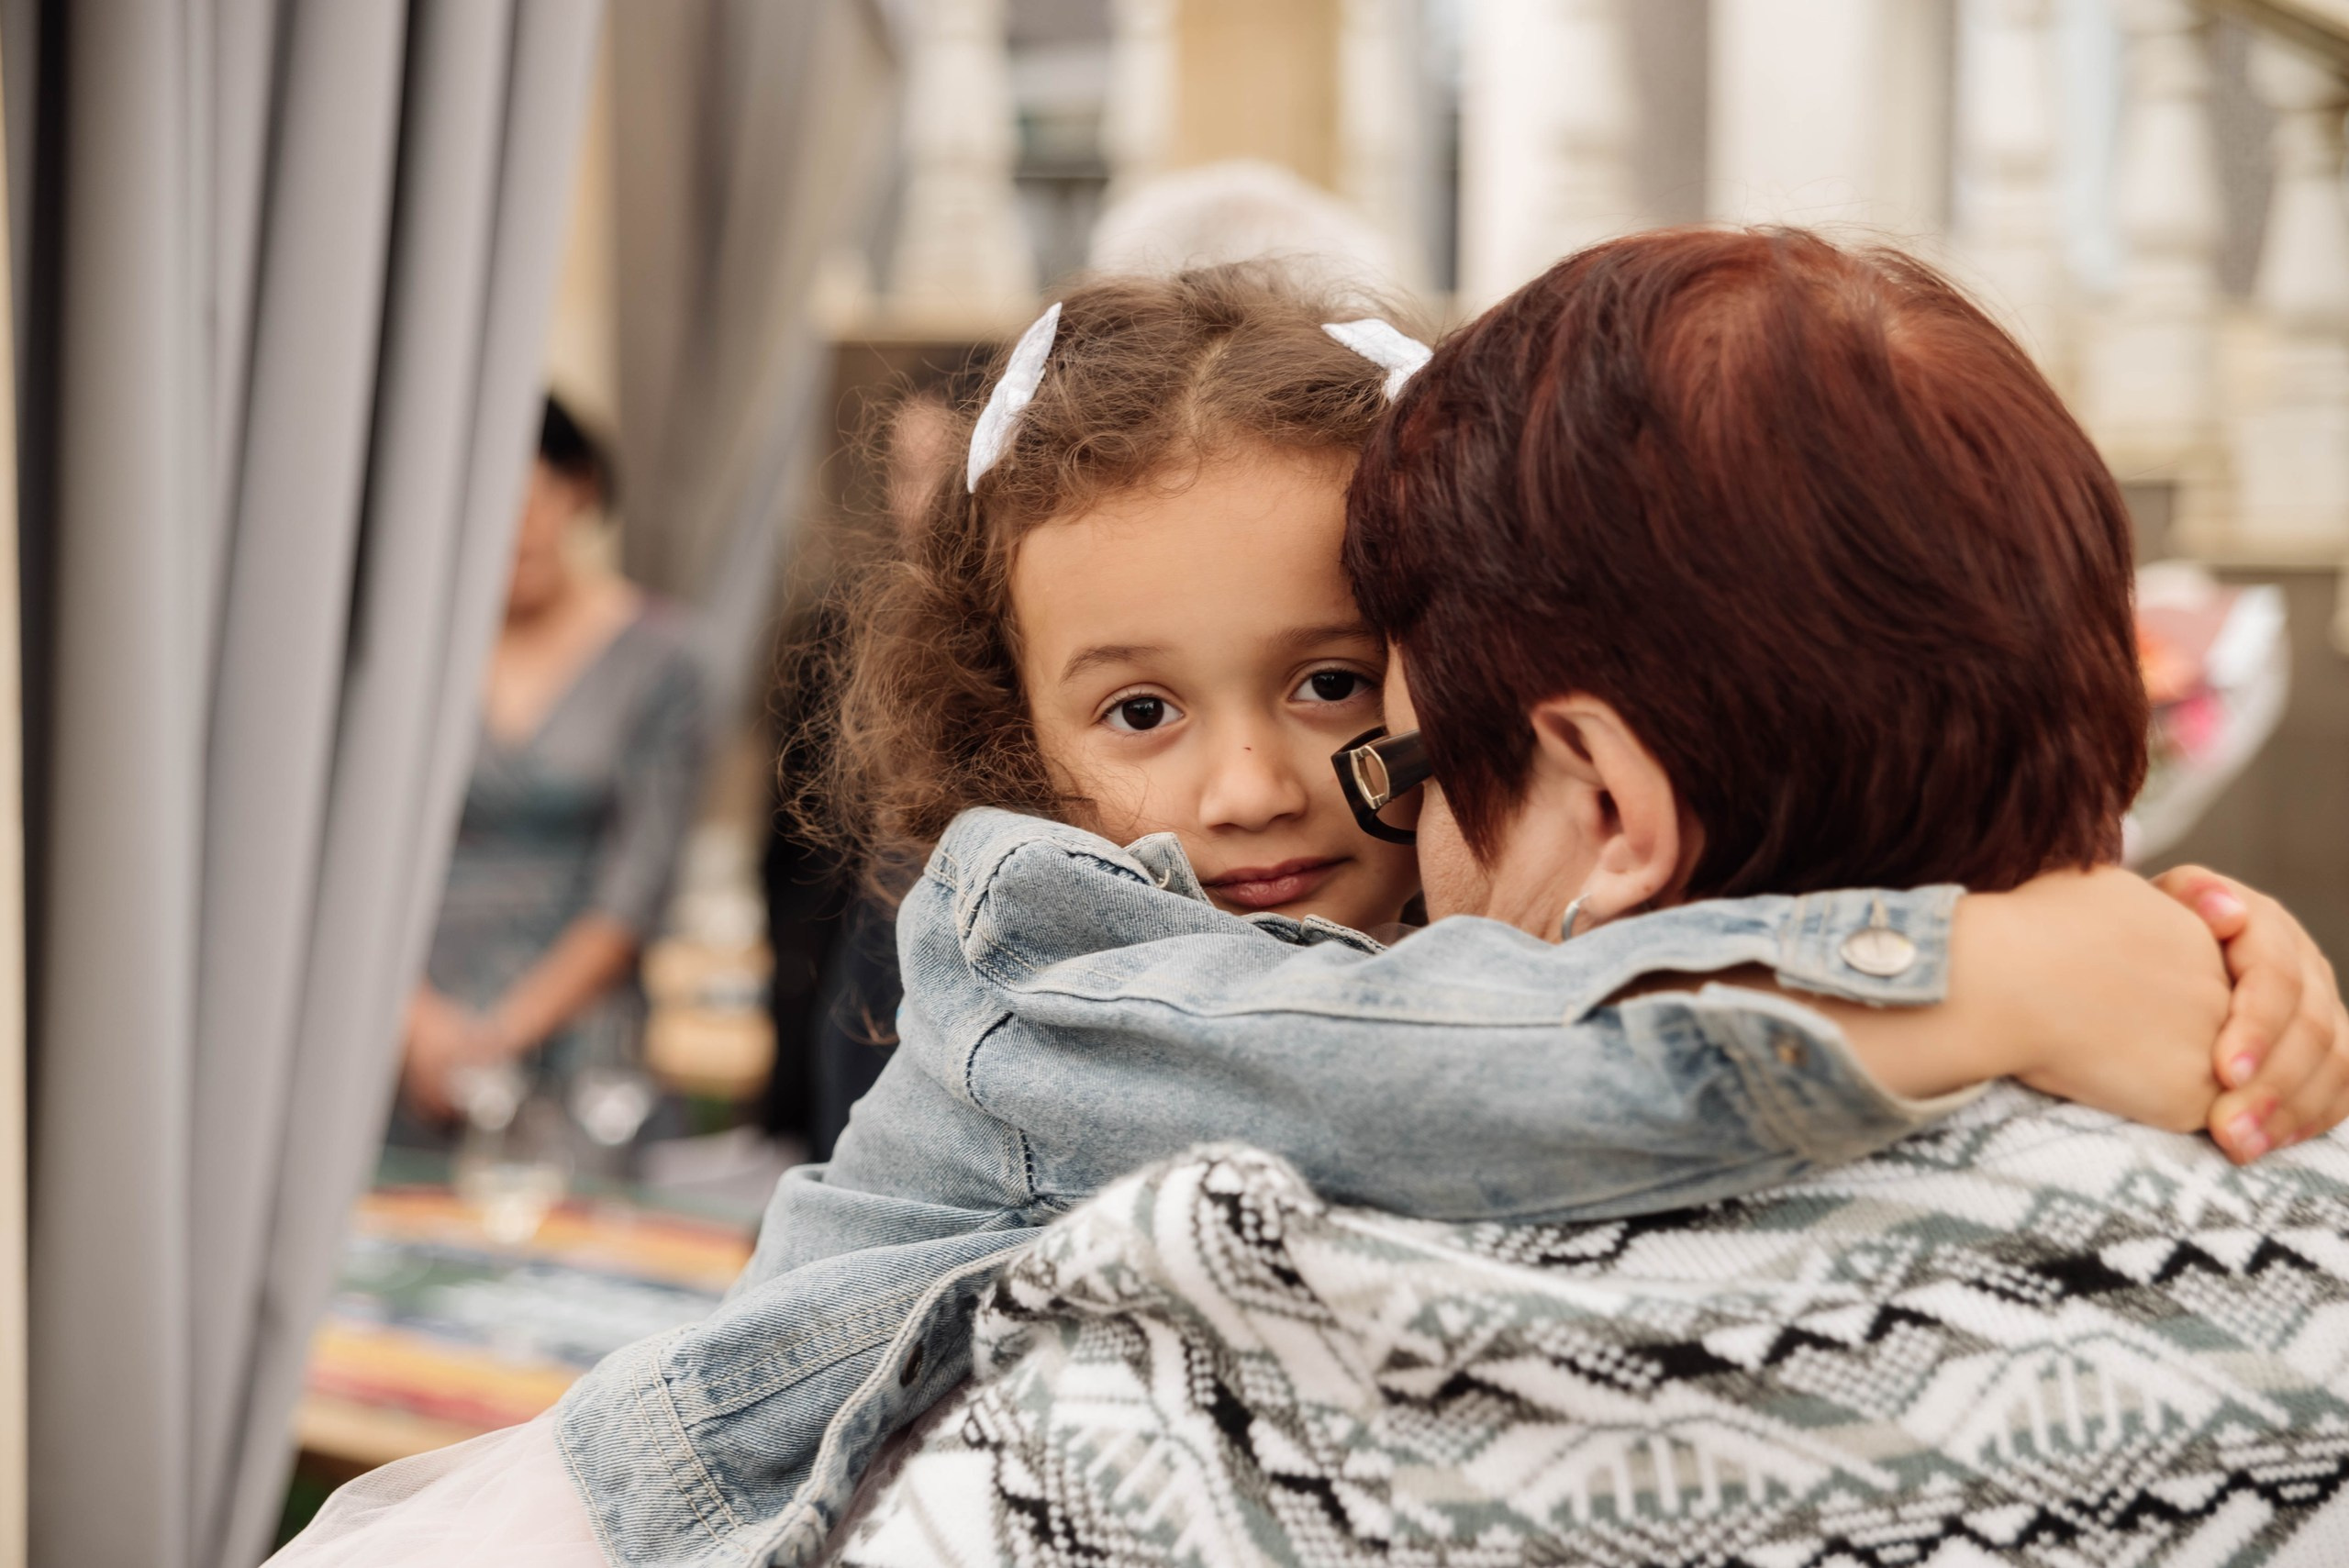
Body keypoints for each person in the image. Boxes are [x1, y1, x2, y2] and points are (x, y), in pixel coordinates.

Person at [271, 263, 2345, 1567]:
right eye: (1141, 709)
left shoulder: (1417, 1004)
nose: (1253, 785)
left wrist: (2180, 933)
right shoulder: (1046, 960)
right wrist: (2004, 958)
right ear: (1017, 731)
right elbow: (1498, 1070)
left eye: (1344, 686)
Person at [395, 395, 709, 1140]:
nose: (512, 530)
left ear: (580, 492)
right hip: (410, 1038)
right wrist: (419, 1024)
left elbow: (635, 889)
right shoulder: (408, 653)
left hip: (579, 1049)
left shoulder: (663, 661)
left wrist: (497, 1037)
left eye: (530, 501)